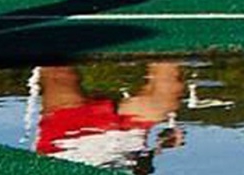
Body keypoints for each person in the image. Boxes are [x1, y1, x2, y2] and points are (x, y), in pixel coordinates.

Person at [34, 62, 184, 170]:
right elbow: (140, 169)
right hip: (128, 136)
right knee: (166, 96)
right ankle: (161, 28)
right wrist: (159, 147)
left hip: (67, 143)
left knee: (58, 73)